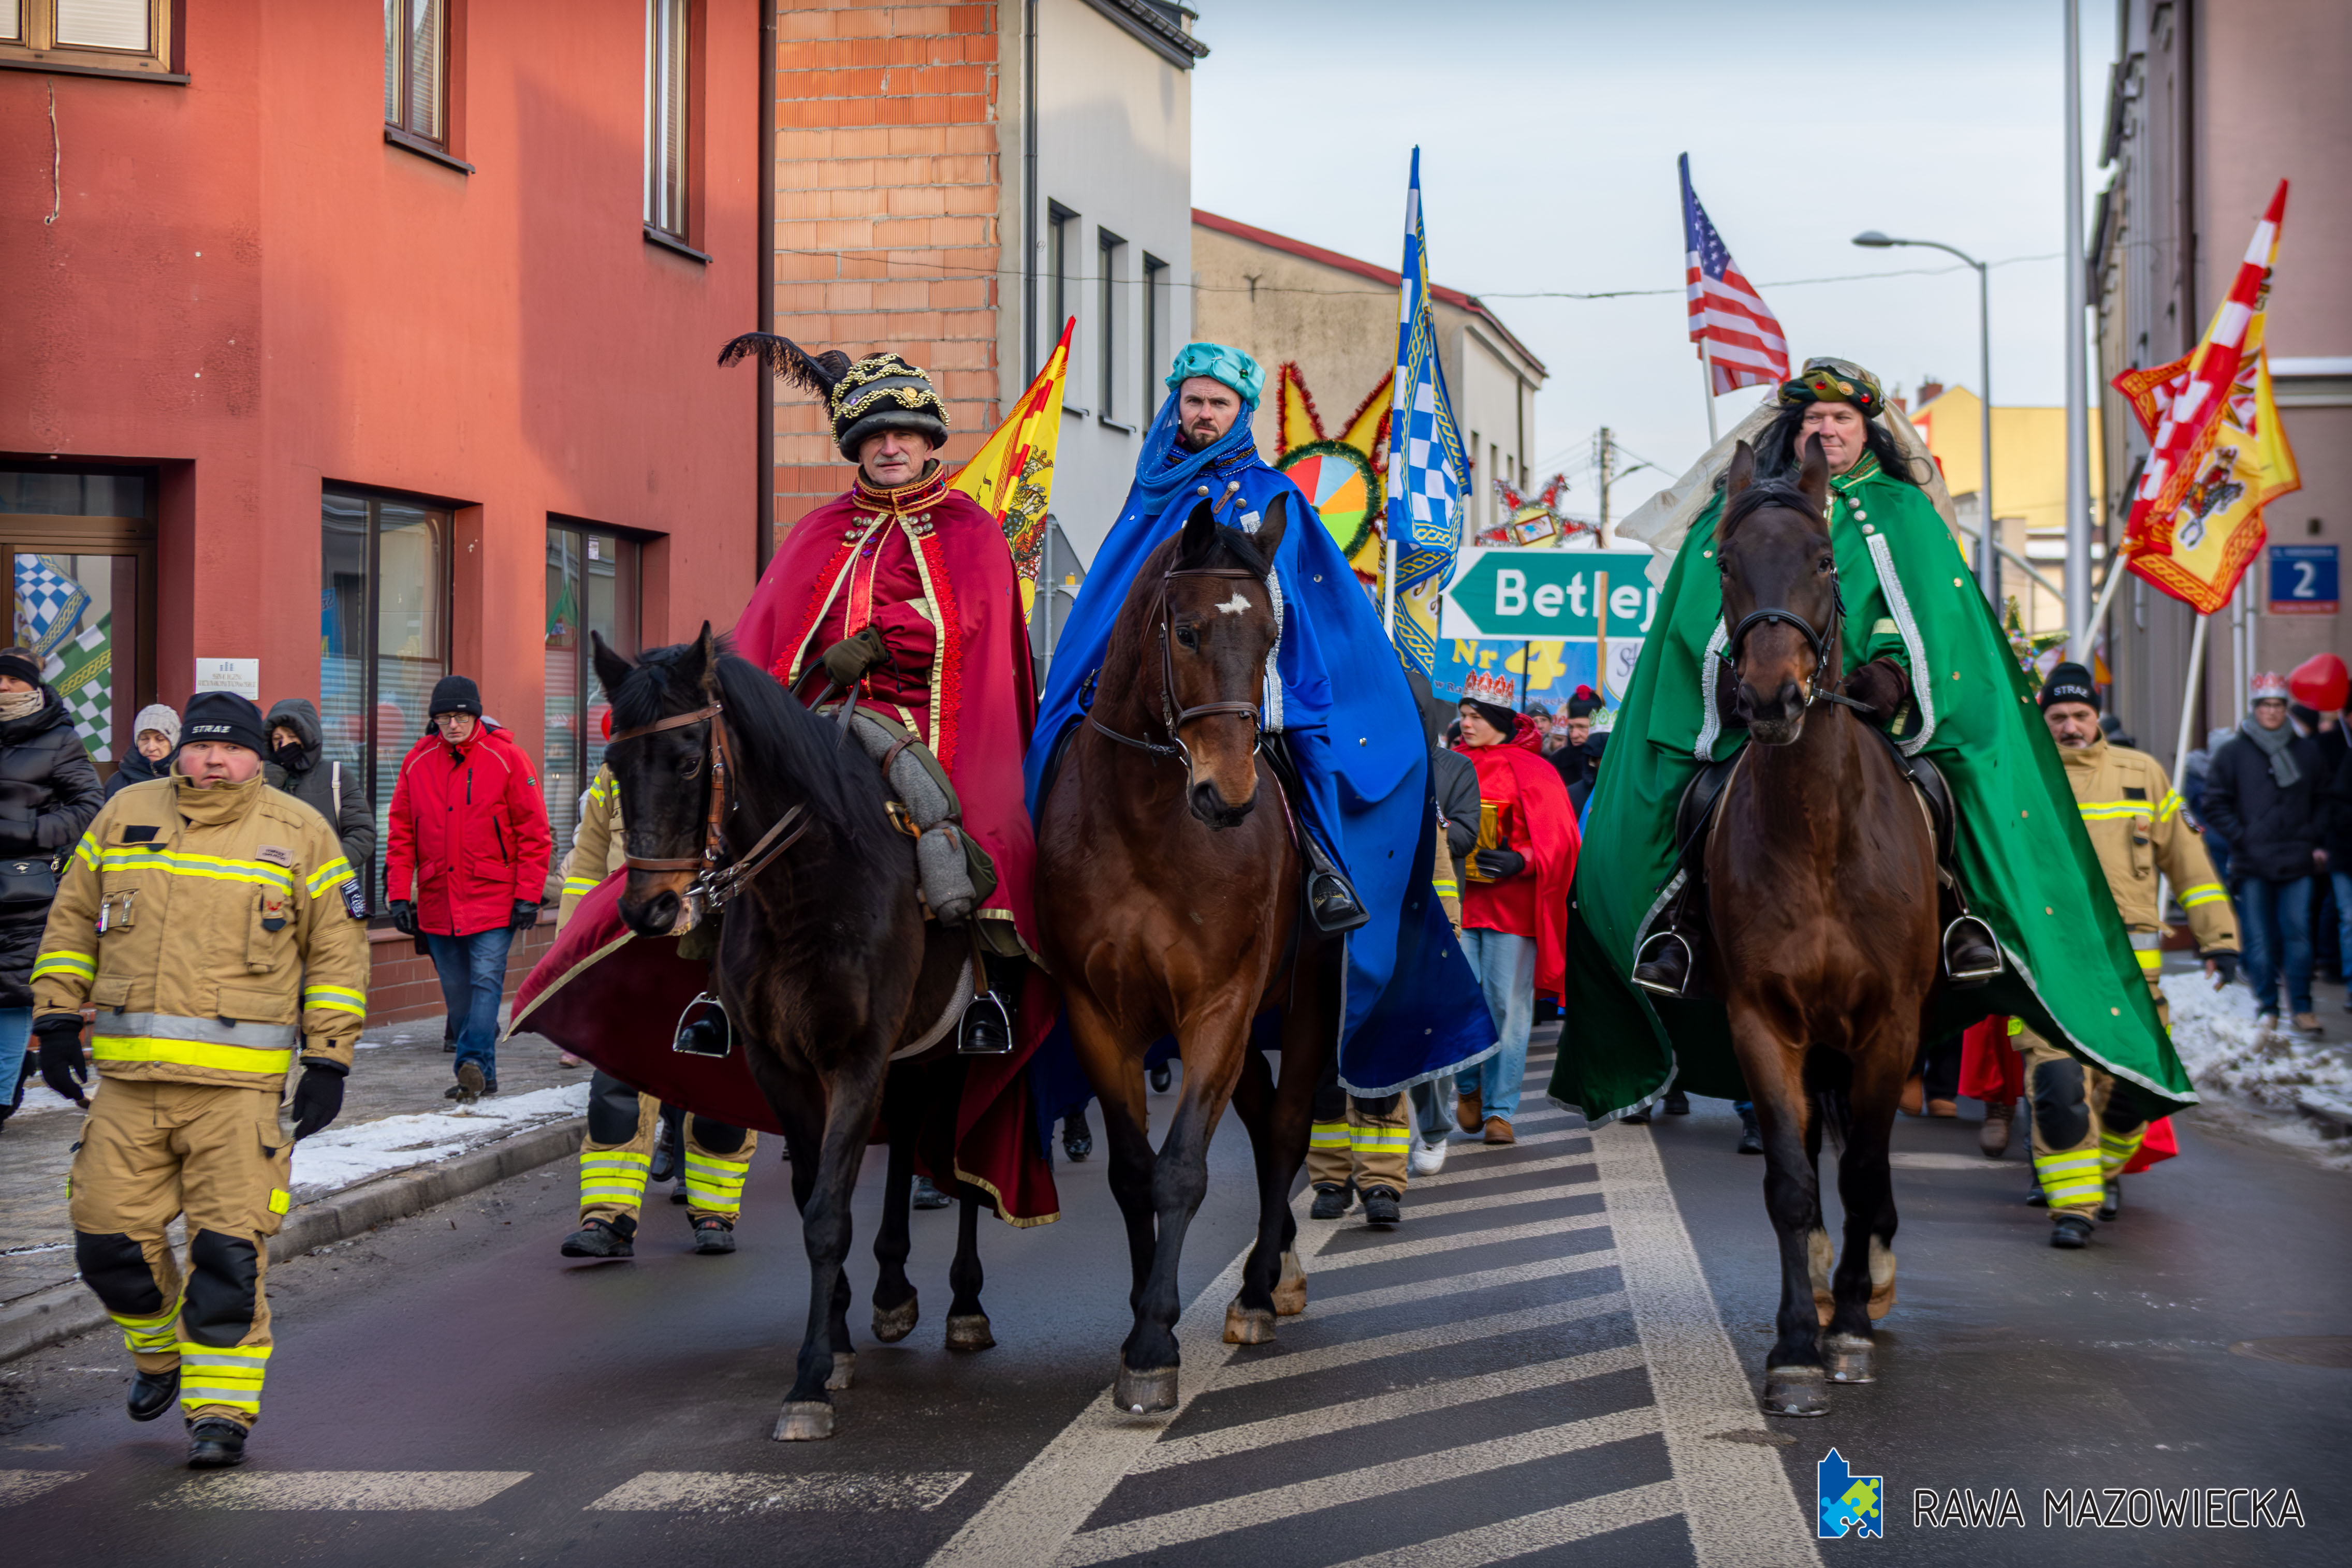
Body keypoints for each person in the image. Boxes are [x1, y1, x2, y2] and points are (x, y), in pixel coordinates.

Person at [1553, 357, 2196, 1130]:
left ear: (1867, 431)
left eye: (1841, 420)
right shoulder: (1751, 513)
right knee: (1692, 796)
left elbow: (1936, 620)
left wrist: (1894, 674)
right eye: (1812, 420)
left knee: (1941, 791)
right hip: (1764, 713)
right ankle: (1680, 931)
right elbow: (1703, 610)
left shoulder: (1899, 511)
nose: (1825, 430)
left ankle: (1963, 920)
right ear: (1791, 431)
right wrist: (1725, 675)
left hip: (1877, 721)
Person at [1027, 340, 1495, 1124]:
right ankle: (1030, 900)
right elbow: (1107, 609)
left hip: (1259, 689)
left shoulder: (1270, 496)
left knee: (1301, 755)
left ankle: (1325, 873)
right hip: (1149, 697)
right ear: (1175, 406)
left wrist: (1264, 693)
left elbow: (1308, 611)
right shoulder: (1149, 494)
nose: (1202, 414)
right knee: (1051, 758)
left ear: (1241, 413)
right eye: (1191, 400)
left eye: (1217, 403)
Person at [37, 690, 367, 1468]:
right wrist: (54, 1017)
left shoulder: (300, 833)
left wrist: (328, 1058)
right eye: (201, 746)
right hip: (128, 1088)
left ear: (259, 755)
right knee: (106, 1242)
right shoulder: (124, 815)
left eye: (232, 749)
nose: (214, 762)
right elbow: (71, 916)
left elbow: (337, 956)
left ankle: (220, 1411)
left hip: (238, 1098)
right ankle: (160, 1357)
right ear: (178, 749)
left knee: (228, 1258)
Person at [725, 336, 1046, 1059]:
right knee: (748, 824)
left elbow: (975, 633)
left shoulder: (972, 531)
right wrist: (812, 665)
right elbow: (766, 638)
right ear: (855, 449)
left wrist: (886, 638)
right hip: (823, 717)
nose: (889, 447)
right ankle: (718, 984)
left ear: (930, 441)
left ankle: (990, 986)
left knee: (995, 828)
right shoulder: (818, 530)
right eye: (873, 437)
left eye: (903, 434)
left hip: (938, 725)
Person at [2022, 664, 2237, 1245]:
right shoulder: (2020, 777)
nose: (2070, 727)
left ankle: (2102, 1172)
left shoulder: (2141, 774)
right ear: (2043, 720)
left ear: (2097, 717)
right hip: (2053, 974)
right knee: (2060, 1085)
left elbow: (2190, 867)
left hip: (2133, 985)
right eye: (2058, 717)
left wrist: (2218, 939)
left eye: (2080, 715)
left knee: (2131, 1094)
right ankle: (2073, 1208)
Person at [556, 763, 758, 1259]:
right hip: (630, 956)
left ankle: (714, 1213)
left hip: (710, 957)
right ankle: (607, 1219)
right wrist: (570, 955)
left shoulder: (734, 760)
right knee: (614, 1088)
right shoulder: (615, 773)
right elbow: (586, 869)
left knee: (718, 1086)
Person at [384, 676, 552, 1102]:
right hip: (439, 898)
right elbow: (402, 833)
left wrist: (529, 895)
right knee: (458, 995)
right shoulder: (416, 762)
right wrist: (400, 894)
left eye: (459, 716)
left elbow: (534, 833)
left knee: (485, 982)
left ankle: (471, 1065)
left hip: (494, 896)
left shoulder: (508, 757)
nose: (452, 725)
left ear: (475, 715)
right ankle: (485, 1072)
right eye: (443, 718)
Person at [1452, 696, 1580, 1144]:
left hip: (1513, 908)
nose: (1465, 724)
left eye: (1475, 717)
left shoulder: (1537, 771)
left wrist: (1520, 860)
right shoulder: (1450, 765)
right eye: (1463, 717)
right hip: (1457, 903)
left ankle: (1499, 1111)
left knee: (1507, 1007)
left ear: (1500, 723)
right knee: (1458, 1001)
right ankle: (1468, 1086)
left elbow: (1563, 841)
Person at [0, 647, 104, 1134]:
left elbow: (89, 807)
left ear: (32, 688)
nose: (2, 687)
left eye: (12, 680)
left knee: (14, 995)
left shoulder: (59, 738)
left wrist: (25, 831)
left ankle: (2, 1096)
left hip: (23, 891)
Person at [2198, 671, 2326, 1039]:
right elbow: (2214, 801)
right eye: (2265, 705)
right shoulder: (2233, 752)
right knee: (2257, 939)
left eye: (2277, 705)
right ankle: (2266, 1007)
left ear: (2285, 708)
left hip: (2296, 858)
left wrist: (2312, 836)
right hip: (2251, 861)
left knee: (2299, 935)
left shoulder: (2306, 751)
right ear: (2254, 708)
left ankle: (2301, 1007)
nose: (2271, 711)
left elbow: (2322, 797)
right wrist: (2241, 835)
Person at [262, 698, 375, 879]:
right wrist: (274, 770)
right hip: (273, 892)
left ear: (308, 737)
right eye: (278, 739)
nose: (284, 745)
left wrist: (324, 868)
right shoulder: (260, 780)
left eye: (292, 737)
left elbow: (362, 835)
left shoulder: (336, 776)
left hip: (325, 890)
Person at [104, 704, 180, 800]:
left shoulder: (184, 779)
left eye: (160, 739)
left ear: (174, 743)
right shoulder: (117, 782)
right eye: (144, 739)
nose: (151, 747)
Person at [1549, 686, 1602, 796]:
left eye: (1582, 727)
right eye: (1571, 727)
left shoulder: (1609, 760)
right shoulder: (1557, 761)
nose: (1574, 735)